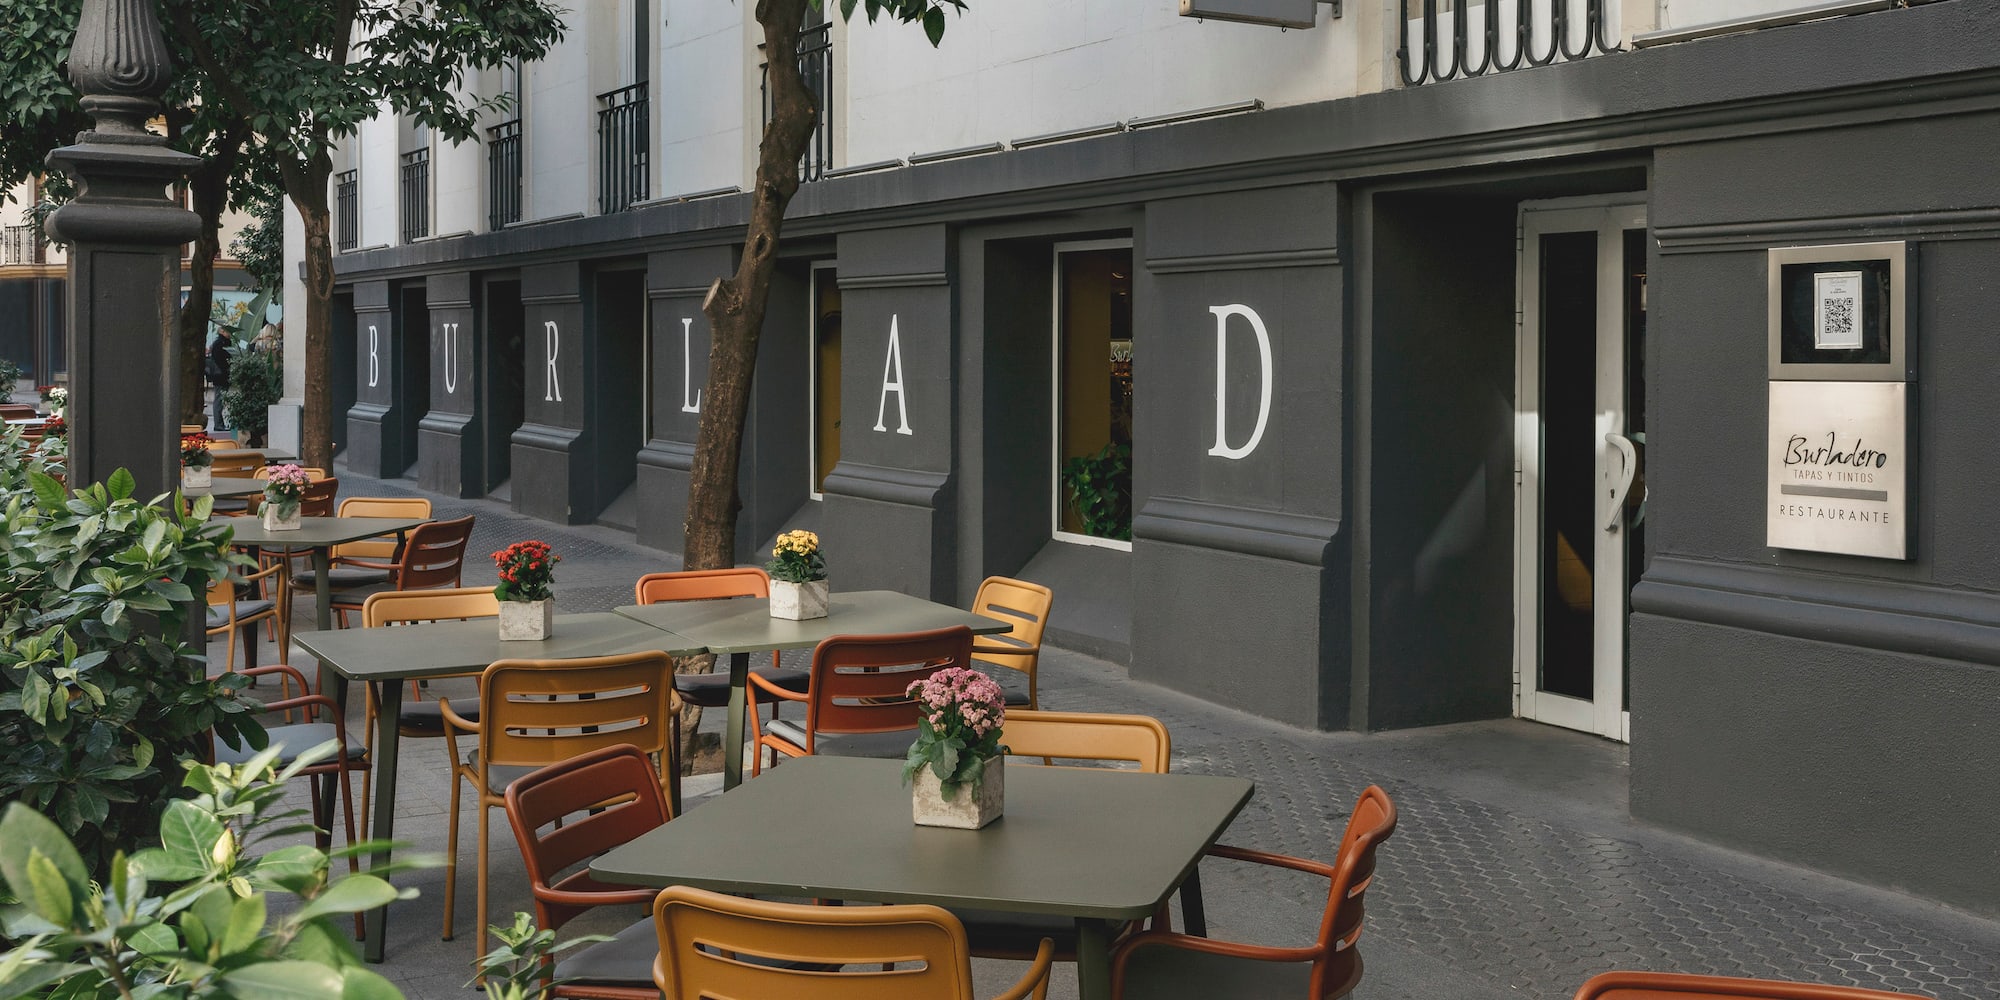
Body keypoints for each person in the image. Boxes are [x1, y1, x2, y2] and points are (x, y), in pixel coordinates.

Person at [207, 332, 232, 431]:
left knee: (220, 400)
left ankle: (219, 423)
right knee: (219, 400)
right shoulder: (220, 344)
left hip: (220, 376)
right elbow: (220, 360)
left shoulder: (221, 343)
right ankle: (218, 424)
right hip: (220, 376)